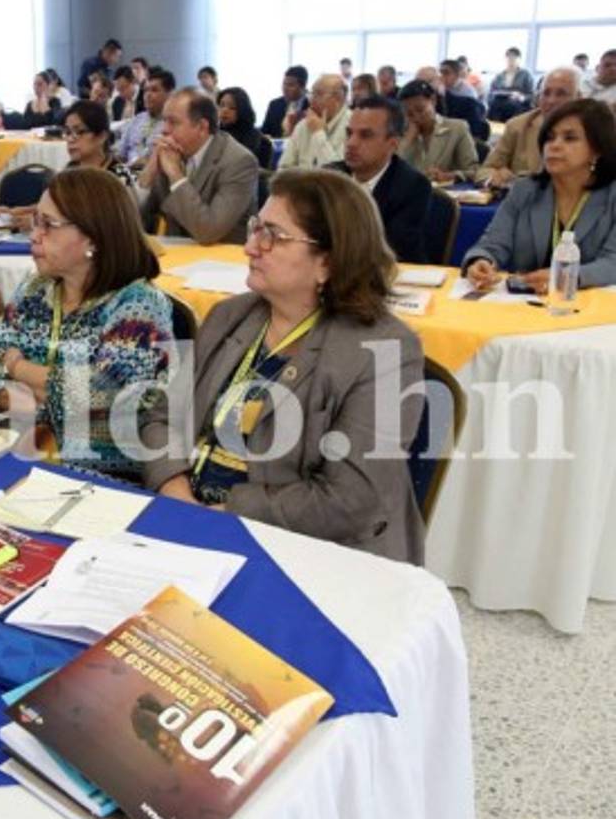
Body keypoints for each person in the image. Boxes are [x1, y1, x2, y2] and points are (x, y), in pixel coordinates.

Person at [141, 169, 425, 565]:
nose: (250, 247)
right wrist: (176, 492)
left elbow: (352, 499)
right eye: (256, 228)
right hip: (190, 516)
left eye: (272, 235)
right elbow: (160, 418)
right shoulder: (230, 316)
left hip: (308, 551)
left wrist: (226, 519)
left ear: (327, 261)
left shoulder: (384, 351)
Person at [0, 168, 175, 479]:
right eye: (35, 221)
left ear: (93, 237)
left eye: (48, 225)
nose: (35, 235)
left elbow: (106, 402)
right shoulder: (35, 289)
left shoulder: (138, 306)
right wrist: (12, 396)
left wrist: (18, 369)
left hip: (97, 480)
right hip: (11, 459)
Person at [463, 99, 616, 293]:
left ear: (598, 150)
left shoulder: (612, 195)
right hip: (525, 305)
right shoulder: (524, 190)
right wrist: (481, 261)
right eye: (550, 138)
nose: (554, 146)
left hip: (592, 312)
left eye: (570, 138)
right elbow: (492, 244)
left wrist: (566, 277)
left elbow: (612, 264)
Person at [138, 87, 258, 244]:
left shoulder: (239, 162)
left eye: (173, 122)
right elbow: (132, 220)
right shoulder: (170, 152)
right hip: (176, 255)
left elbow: (208, 231)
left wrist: (176, 175)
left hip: (222, 261)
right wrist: (148, 175)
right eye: (164, 121)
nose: (164, 130)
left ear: (202, 127)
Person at [327, 96, 431, 263]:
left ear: (393, 144)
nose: (351, 143)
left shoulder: (413, 186)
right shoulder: (329, 177)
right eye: (349, 133)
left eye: (365, 135)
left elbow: (390, 251)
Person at [477, 67, 580, 188]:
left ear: (579, 97)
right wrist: (495, 178)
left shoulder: (592, 129)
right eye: (546, 93)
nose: (551, 100)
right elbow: (485, 171)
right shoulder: (517, 126)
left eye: (561, 94)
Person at [397, 80, 479, 182]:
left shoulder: (457, 128)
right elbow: (390, 170)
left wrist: (450, 175)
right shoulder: (401, 132)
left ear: (433, 100)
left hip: (444, 193)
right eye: (409, 114)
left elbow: (474, 171)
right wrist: (407, 140)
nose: (416, 117)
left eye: (420, 109)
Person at [278, 74, 349, 169]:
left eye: (318, 94)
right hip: (300, 183)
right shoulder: (304, 124)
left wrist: (318, 133)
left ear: (338, 98)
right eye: (312, 93)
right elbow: (283, 167)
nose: (311, 100)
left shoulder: (352, 126)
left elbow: (337, 174)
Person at [62, 100, 136, 187]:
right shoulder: (69, 170)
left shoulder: (121, 176)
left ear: (102, 136)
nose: (70, 139)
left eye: (80, 132)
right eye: (68, 132)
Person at [116, 66, 174, 169]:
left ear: (169, 94)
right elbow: (120, 154)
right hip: (128, 173)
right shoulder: (136, 120)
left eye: (154, 90)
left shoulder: (173, 125)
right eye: (146, 90)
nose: (147, 95)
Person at [415, 65, 488, 141]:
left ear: (440, 80)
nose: (421, 88)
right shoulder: (413, 109)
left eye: (427, 82)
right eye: (417, 84)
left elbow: (474, 138)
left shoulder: (468, 105)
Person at [217, 87, 270, 169]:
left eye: (232, 108)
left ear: (242, 110)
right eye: (222, 105)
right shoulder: (214, 133)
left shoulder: (253, 136)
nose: (224, 110)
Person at [261, 66, 309, 138]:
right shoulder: (274, 104)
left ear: (303, 87)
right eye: (284, 84)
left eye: (290, 85)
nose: (285, 88)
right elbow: (264, 132)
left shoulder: (311, 106)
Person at [489, 47, 535, 121]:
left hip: (518, 102)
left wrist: (522, 97)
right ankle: (495, 128)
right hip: (501, 101)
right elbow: (492, 92)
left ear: (519, 59)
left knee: (512, 105)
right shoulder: (499, 76)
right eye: (509, 58)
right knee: (495, 104)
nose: (511, 61)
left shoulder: (526, 74)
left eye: (513, 58)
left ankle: (511, 128)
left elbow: (531, 94)